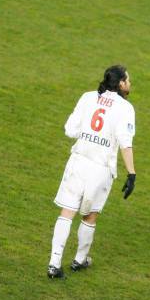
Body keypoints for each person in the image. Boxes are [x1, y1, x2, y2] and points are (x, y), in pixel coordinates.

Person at [47, 65, 136, 279]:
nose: (130, 84)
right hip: (101, 168)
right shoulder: (125, 108)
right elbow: (125, 142)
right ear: (121, 83)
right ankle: (79, 259)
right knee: (90, 215)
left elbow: (70, 130)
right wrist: (131, 174)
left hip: (78, 161)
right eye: (128, 80)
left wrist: (88, 134)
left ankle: (54, 263)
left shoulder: (87, 97)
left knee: (67, 211)